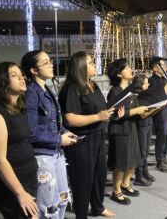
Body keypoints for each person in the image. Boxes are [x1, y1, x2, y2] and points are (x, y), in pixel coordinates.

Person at [58, 51, 115, 218]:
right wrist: (98, 117)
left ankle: (98, 207)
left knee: (99, 176)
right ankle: (81, 214)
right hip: (81, 142)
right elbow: (70, 119)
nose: (94, 65)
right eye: (91, 63)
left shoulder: (93, 84)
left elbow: (100, 109)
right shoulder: (71, 88)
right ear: (81, 67)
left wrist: (111, 112)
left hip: (97, 137)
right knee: (83, 181)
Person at [21, 50, 77, 218]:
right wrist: (59, 138)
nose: (51, 65)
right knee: (47, 206)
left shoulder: (46, 89)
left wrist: (64, 132)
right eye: (45, 63)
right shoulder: (31, 92)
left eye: (50, 61)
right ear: (33, 70)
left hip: (56, 152)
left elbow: (52, 121)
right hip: (43, 156)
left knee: (62, 199)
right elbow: (30, 132)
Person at [0, 62, 38, 218]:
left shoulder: (18, 109)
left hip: (27, 180)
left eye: (21, 75)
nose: (22, 78)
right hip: (12, 186)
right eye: (14, 75)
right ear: (2, 84)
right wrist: (20, 193)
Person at [107, 58, 148, 205]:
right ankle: (116, 190)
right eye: (127, 68)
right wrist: (136, 110)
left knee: (133, 159)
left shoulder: (131, 90)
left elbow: (133, 111)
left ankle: (125, 184)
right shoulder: (114, 92)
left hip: (131, 128)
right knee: (120, 162)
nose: (131, 69)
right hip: (120, 131)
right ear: (119, 74)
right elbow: (115, 115)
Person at [148, 57, 167, 172]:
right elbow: (161, 93)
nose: (165, 66)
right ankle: (159, 161)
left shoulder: (164, 79)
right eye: (161, 65)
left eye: (165, 65)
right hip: (160, 112)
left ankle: (164, 155)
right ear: (154, 69)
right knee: (162, 137)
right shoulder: (151, 80)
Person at [132, 74, 159, 186]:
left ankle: (145, 172)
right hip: (141, 126)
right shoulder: (136, 97)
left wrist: (158, 107)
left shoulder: (146, 95)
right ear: (140, 85)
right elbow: (142, 115)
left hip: (149, 124)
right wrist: (156, 108)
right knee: (142, 152)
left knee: (146, 151)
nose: (148, 84)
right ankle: (138, 176)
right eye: (146, 83)